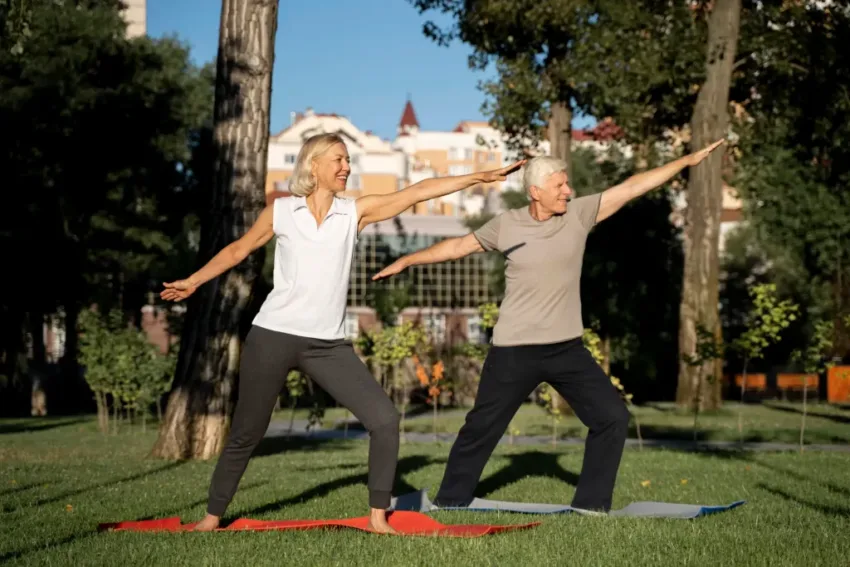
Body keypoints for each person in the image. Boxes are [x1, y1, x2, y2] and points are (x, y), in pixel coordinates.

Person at [160, 133, 525, 532]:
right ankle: (211, 517)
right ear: (312, 164)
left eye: (348, 160)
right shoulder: (281, 212)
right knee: (247, 431)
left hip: (327, 345)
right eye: (338, 159)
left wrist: (478, 177)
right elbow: (236, 252)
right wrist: (193, 281)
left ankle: (377, 517)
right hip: (273, 335)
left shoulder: (354, 213)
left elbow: (417, 190)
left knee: (384, 419)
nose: (346, 167)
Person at [372, 139, 725, 513]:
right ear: (535, 192)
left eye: (568, 184)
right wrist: (407, 260)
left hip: (566, 349)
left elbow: (633, 186)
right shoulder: (506, 225)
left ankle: (591, 504)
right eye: (560, 186)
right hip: (513, 349)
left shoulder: (578, 214)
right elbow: (459, 246)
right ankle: (451, 499)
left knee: (612, 417)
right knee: (482, 427)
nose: (568, 191)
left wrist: (685, 160)